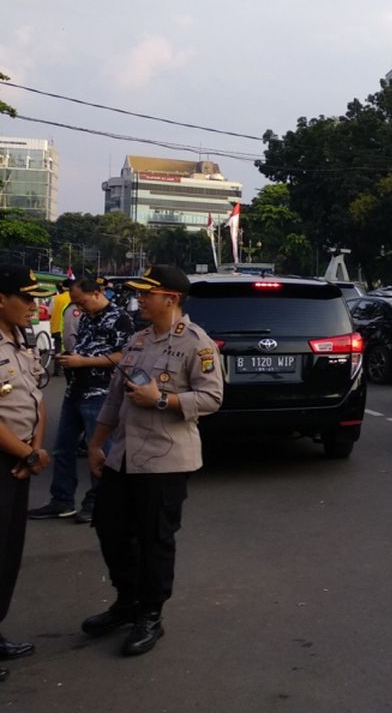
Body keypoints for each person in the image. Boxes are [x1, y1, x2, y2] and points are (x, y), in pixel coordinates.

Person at [82, 265, 224, 656]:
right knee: (110, 529)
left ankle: (150, 614)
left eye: (147, 293)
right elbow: (115, 397)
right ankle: (126, 601)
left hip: (165, 460)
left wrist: (162, 399)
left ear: (171, 298)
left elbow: (212, 398)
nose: (139, 299)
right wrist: (97, 444)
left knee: (154, 540)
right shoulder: (139, 340)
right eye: (139, 293)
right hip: (122, 457)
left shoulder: (198, 344)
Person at [28, 277, 135, 523]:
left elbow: (124, 357)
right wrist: (70, 357)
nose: (80, 307)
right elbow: (87, 346)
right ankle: (61, 501)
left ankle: (99, 501)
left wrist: (83, 362)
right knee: (63, 449)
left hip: (101, 394)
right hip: (76, 389)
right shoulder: (87, 316)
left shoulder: (119, 318)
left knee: (99, 450)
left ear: (97, 293)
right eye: (76, 303)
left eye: (82, 301)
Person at [0, 266, 54, 681]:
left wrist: (34, 448)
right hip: (8, 459)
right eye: (26, 298)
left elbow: (36, 397)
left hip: (18, 459)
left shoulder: (21, 341)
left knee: (8, 553)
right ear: (1, 298)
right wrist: (28, 455)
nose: (34, 307)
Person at [49, 282, 70, 374]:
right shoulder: (75, 298)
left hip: (57, 327)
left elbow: (50, 312)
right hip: (70, 327)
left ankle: (57, 369)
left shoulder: (55, 298)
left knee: (58, 348)